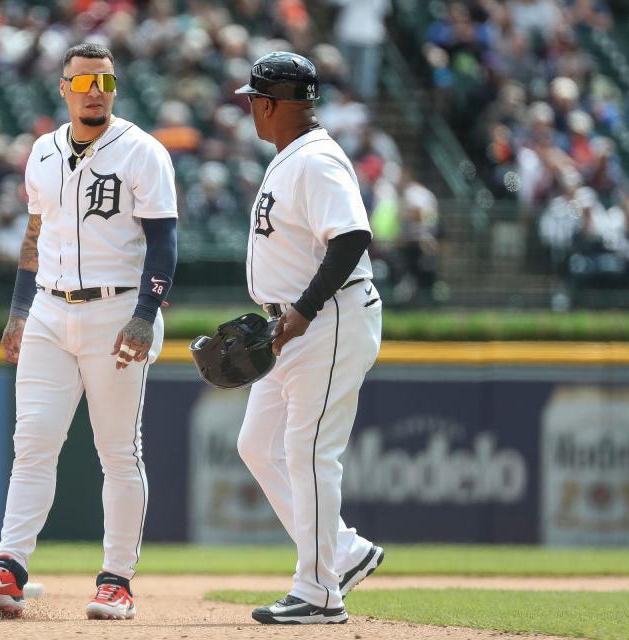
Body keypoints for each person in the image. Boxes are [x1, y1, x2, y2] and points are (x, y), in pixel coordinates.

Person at [0, 43, 178, 621]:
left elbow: (163, 243)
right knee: (32, 445)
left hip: (116, 310)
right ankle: (9, 570)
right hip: (50, 311)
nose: (95, 90)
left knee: (119, 454)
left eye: (104, 81)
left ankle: (116, 581)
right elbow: (37, 236)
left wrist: (145, 316)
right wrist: (18, 311)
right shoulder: (43, 153)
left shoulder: (143, 152)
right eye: (83, 83)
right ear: (64, 89)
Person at [233, 51, 384, 625]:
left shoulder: (316, 160)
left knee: (308, 450)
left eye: (255, 101)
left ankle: (319, 591)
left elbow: (352, 238)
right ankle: (342, 551)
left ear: (272, 105)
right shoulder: (293, 155)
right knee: (258, 444)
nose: (252, 110)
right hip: (293, 323)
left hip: (329, 318)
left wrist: (301, 309)